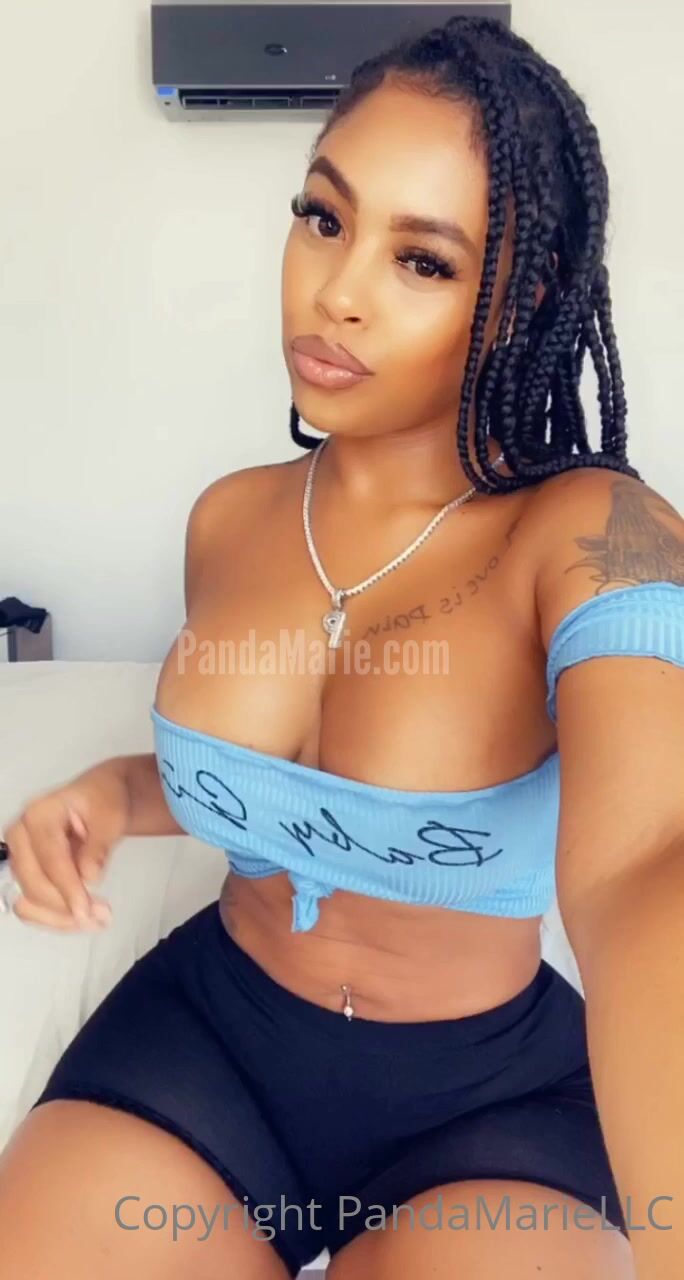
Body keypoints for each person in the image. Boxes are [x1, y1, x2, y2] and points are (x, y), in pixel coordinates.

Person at [2, 14, 683, 1279]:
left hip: (489, 1102)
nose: (338, 290)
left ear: (519, 297)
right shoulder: (229, 518)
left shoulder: (600, 531)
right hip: (209, 1045)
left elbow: (650, 863)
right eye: (324, 217)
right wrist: (112, 793)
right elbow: (268, 783)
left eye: (421, 258)